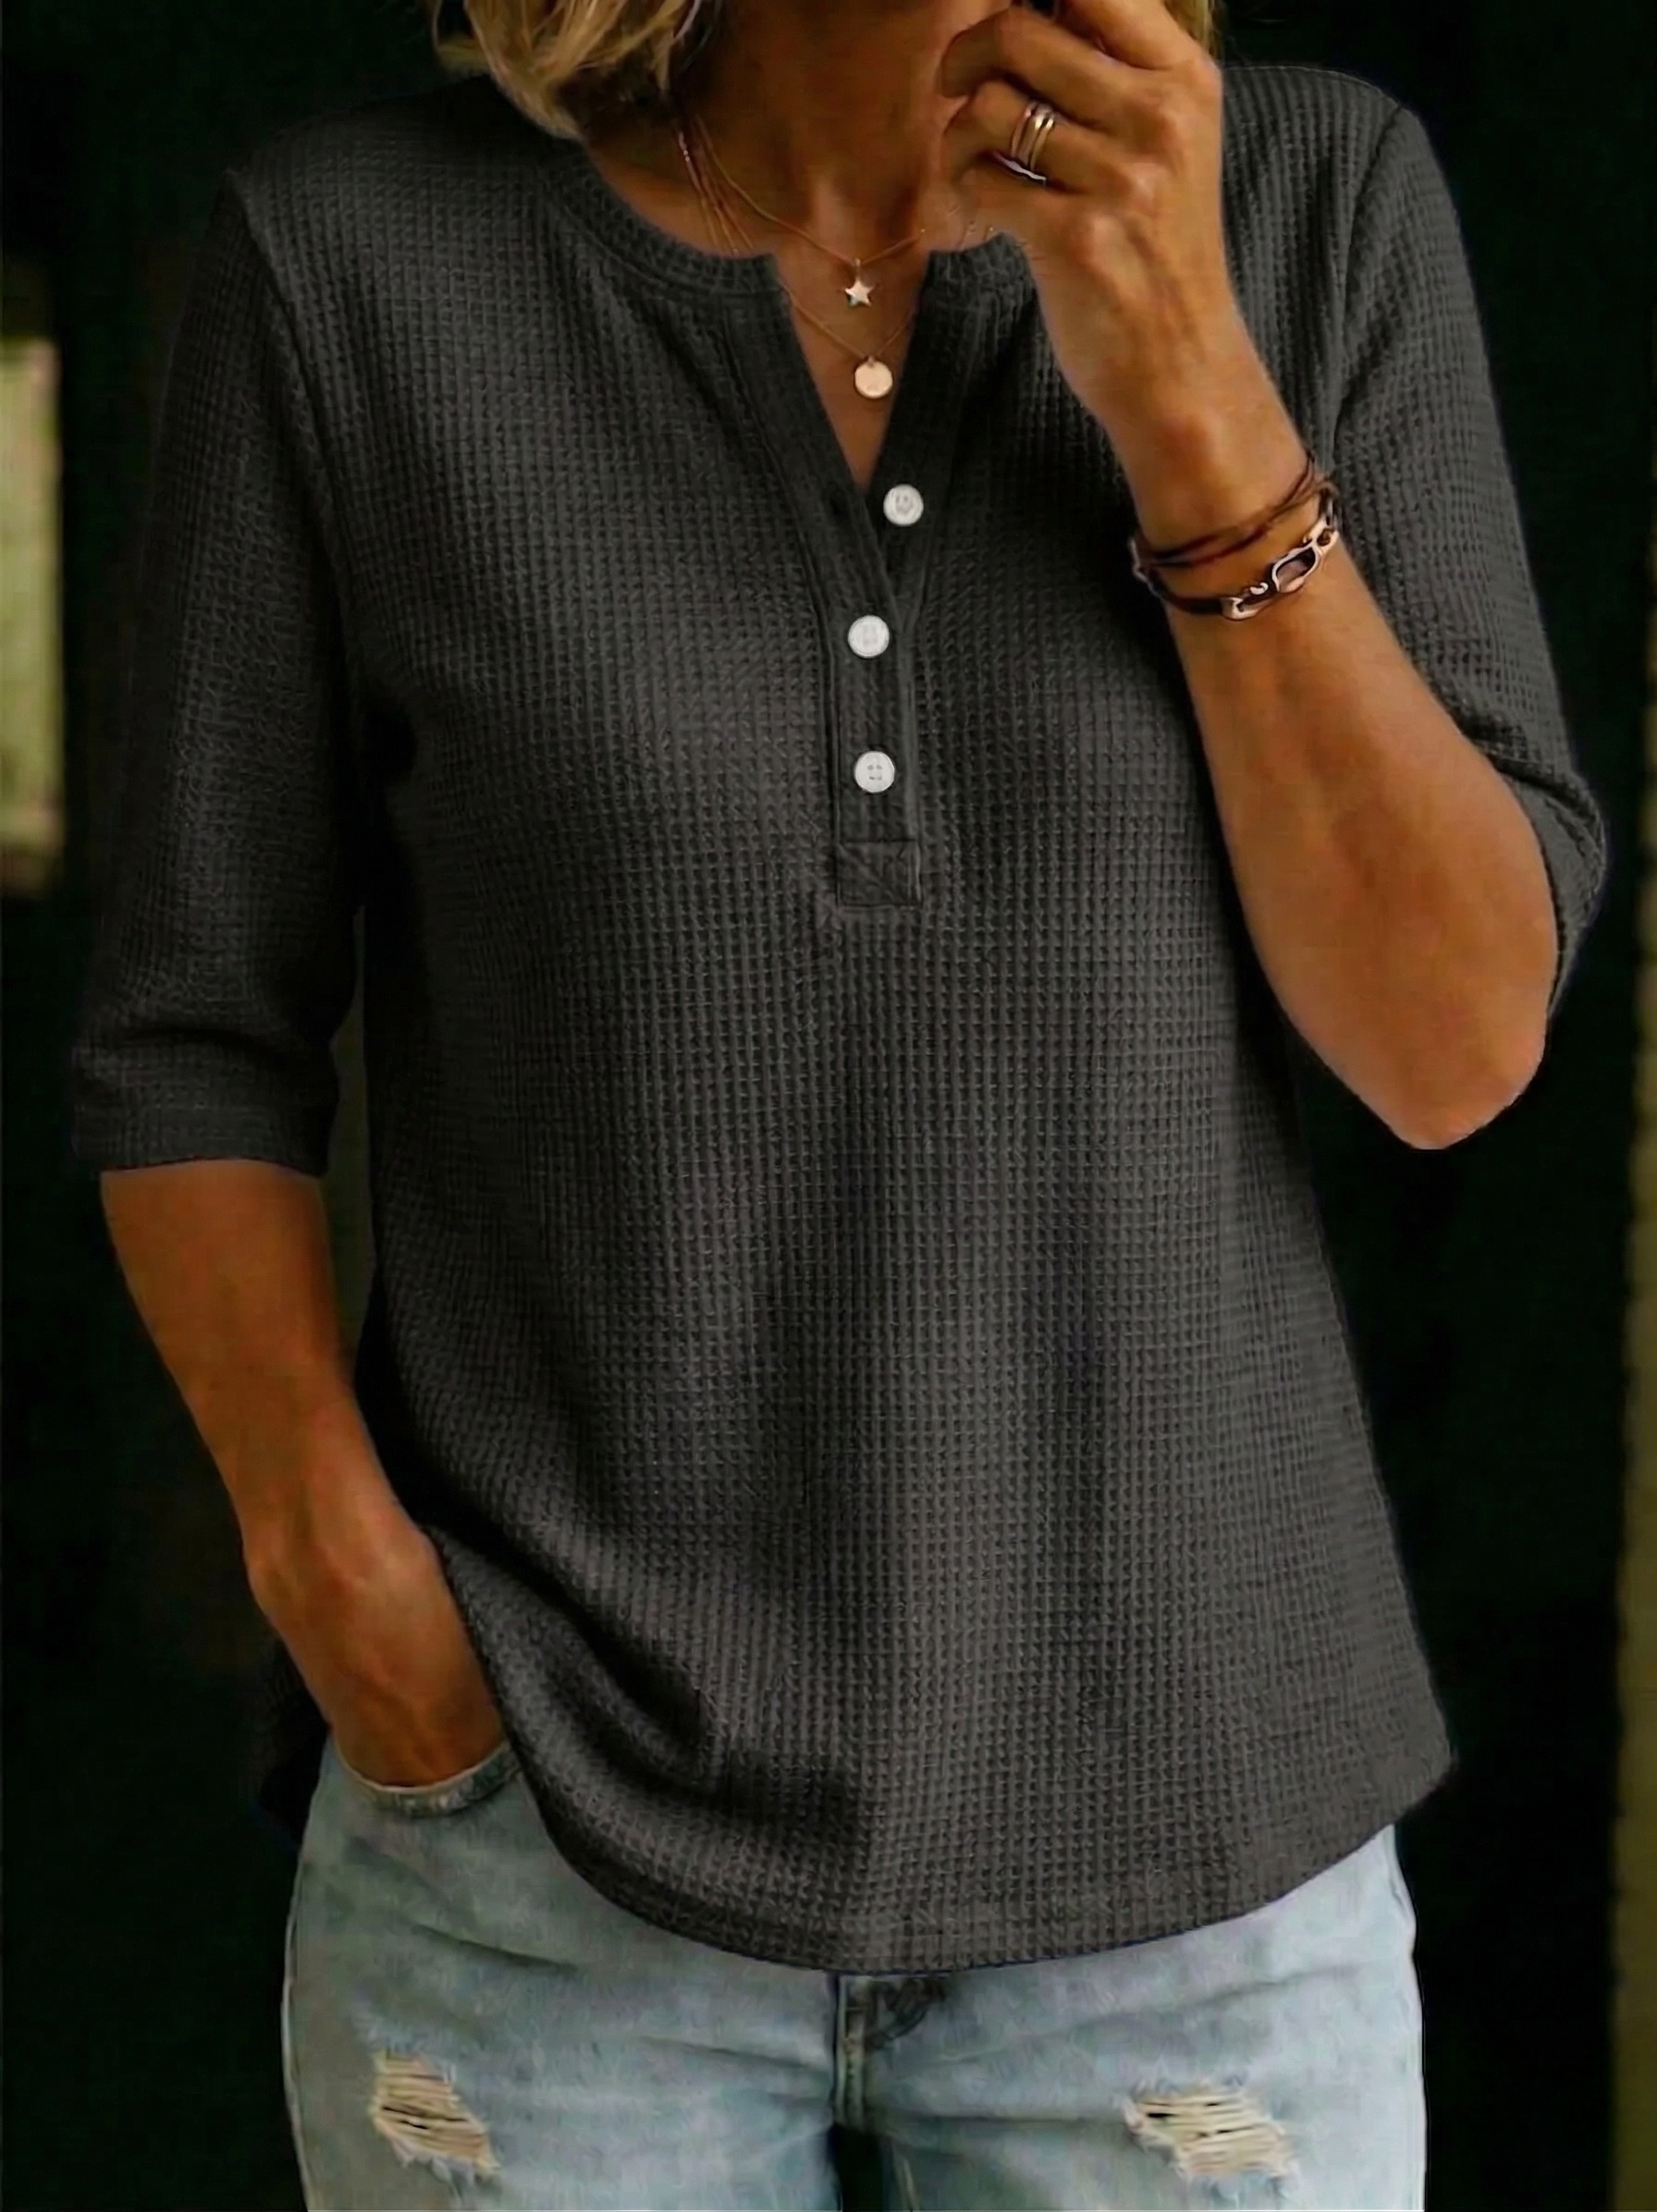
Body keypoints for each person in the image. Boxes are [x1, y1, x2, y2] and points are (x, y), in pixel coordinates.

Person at [68, 0, 1609, 2203]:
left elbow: (1448, 1049)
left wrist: (1184, 381)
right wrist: (340, 1579)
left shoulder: (1310, 203)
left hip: (1198, 1882)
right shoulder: (356, 259)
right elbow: (192, 1025)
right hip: (539, 1838)